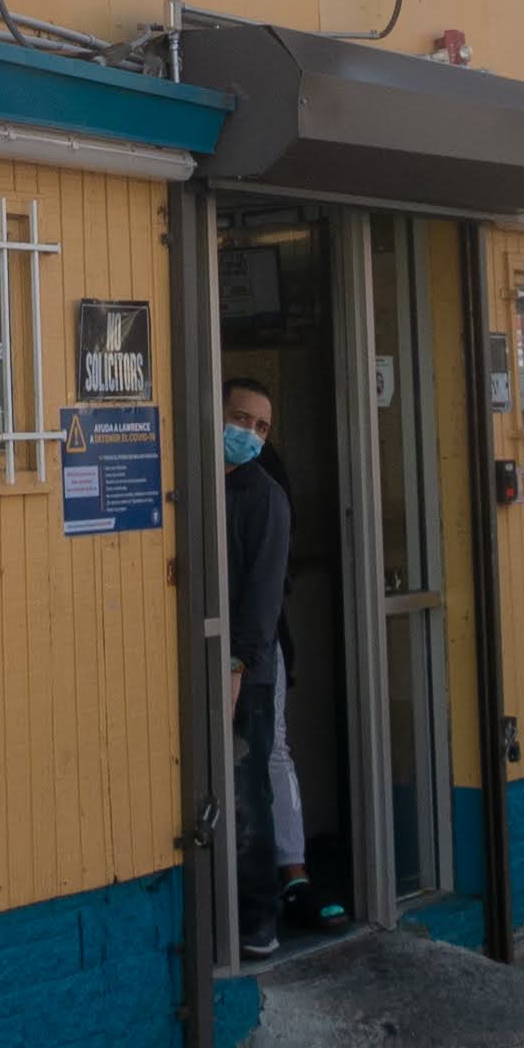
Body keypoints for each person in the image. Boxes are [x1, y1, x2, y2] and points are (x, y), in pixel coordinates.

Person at [223, 379, 293, 960]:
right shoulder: (197, 484)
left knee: (249, 797)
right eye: (240, 419)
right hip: (212, 664)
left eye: (261, 428)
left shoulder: (265, 496)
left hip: (247, 674)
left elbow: (263, 596)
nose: (248, 433)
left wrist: (238, 666)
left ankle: (259, 921)